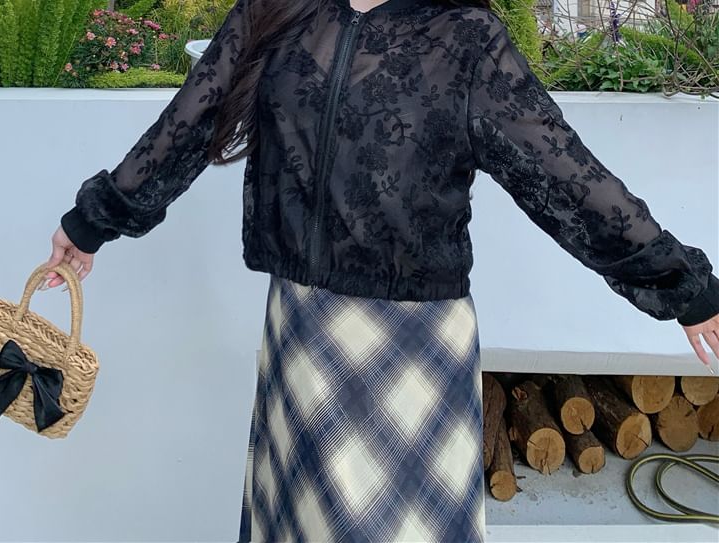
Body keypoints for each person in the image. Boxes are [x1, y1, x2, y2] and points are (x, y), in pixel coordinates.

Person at [44, 0, 719, 540]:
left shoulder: (466, 37)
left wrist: (682, 286)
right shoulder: (274, 11)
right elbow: (187, 125)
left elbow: (566, 177)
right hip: (303, 334)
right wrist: (90, 224)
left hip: (417, 344)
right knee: (303, 520)